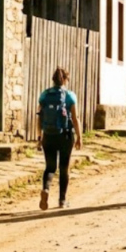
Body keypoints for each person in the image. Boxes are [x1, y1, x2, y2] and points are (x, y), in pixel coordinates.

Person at [37, 67, 83, 210]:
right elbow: (75, 118)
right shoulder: (70, 96)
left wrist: (39, 137)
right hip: (65, 136)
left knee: (50, 167)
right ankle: (62, 200)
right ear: (66, 80)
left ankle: (46, 189)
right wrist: (79, 137)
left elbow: (39, 118)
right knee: (64, 168)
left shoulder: (44, 95)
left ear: (53, 80)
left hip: (48, 135)